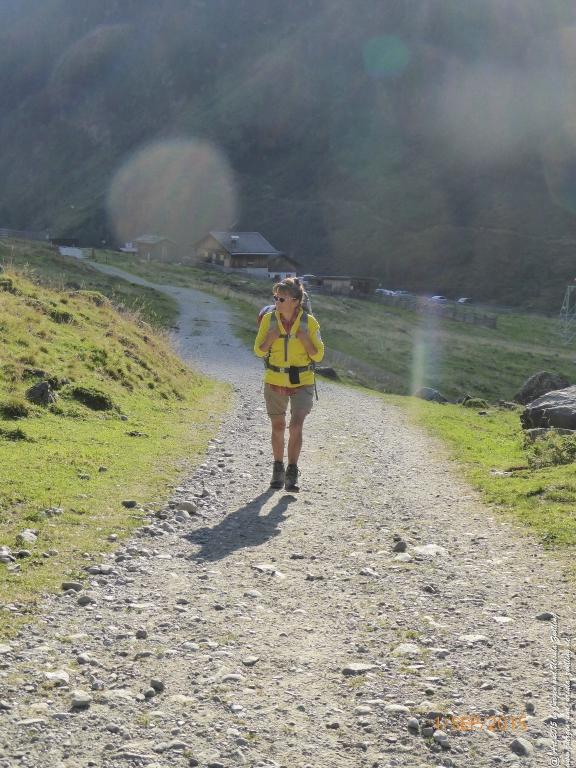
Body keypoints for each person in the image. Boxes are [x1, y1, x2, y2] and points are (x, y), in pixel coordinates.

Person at [254, 277, 324, 491]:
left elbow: (319, 355)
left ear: (295, 301)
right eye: (275, 297)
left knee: (295, 426)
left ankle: (292, 471)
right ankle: (278, 468)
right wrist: (271, 338)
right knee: (278, 427)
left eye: (281, 298)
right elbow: (258, 350)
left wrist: (304, 339)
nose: (276, 301)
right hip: (274, 380)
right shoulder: (269, 320)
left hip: (303, 381)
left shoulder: (309, 323)